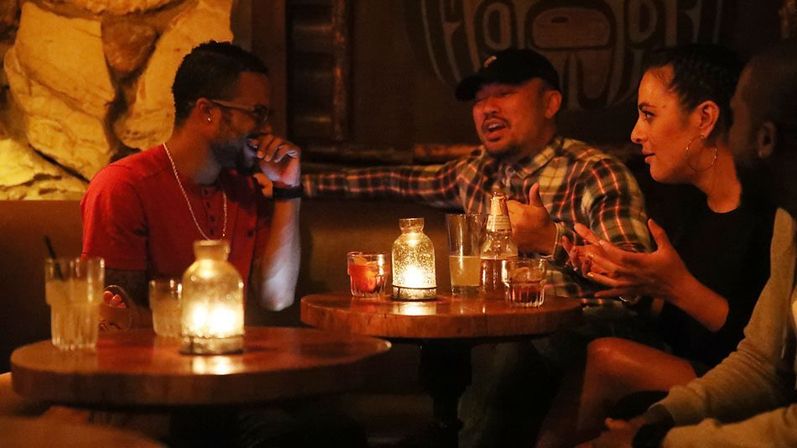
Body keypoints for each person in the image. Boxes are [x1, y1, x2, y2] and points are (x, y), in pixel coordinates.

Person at [303, 48, 651, 447]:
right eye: (480, 99)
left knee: (504, 352)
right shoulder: (476, 171)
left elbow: (636, 285)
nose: (487, 109)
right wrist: (290, 184)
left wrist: (551, 241)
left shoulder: (594, 172)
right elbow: (391, 181)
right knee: (471, 348)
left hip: (582, 326)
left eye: (503, 93)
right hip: (496, 330)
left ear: (550, 103)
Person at [539, 44, 775, 446]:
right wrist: (630, 280)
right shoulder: (683, 205)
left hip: (745, 380)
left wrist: (677, 287)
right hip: (690, 363)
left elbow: (764, 353)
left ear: (704, 118)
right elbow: (669, 320)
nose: (635, 132)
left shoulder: (770, 214)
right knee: (556, 345)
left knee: (606, 357)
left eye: (648, 114)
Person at [81, 41, 302, 325]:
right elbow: (115, 318)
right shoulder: (123, 187)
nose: (268, 130)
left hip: (230, 364)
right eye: (257, 114)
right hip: (151, 365)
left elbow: (277, 297)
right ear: (207, 111)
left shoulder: (245, 190)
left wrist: (288, 190)